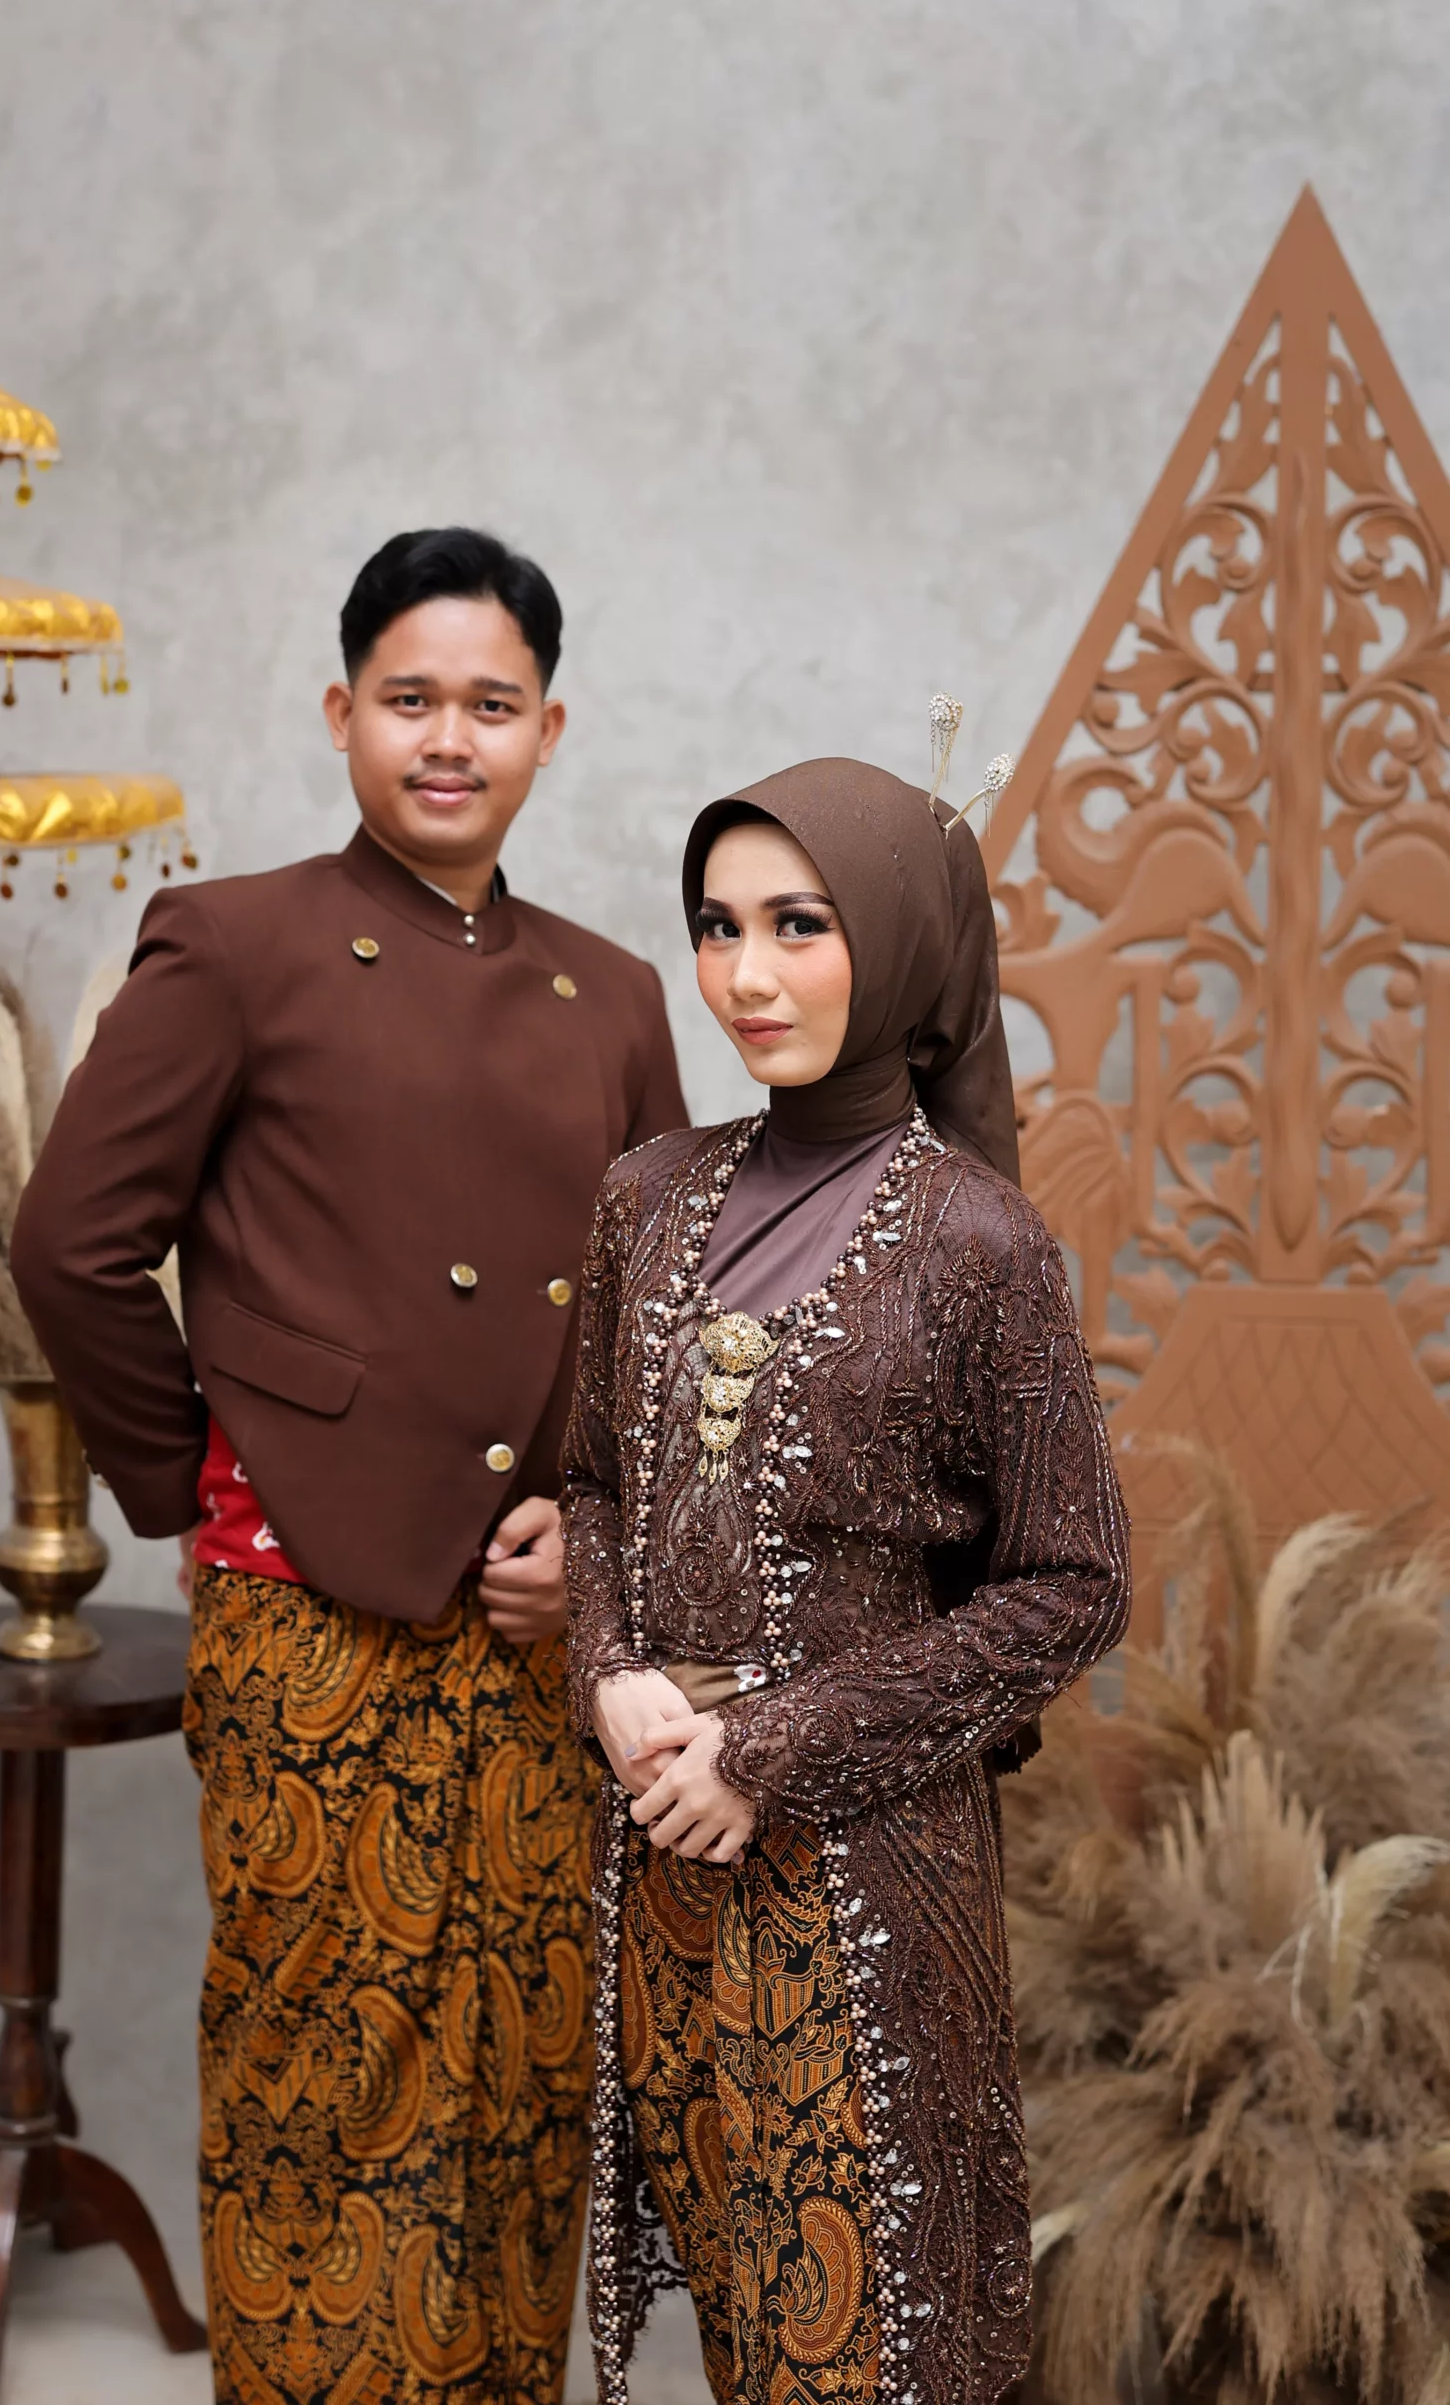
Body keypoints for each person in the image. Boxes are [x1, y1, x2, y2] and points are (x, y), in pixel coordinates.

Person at [11, 527, 687, 2405]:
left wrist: (595, 1533)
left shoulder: (617, 992)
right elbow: (70, 1245)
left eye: (490, 704)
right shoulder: (237, 943)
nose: (447, 739)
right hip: (311, 1620)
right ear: (339, 715)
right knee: (324, 2084)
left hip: (537, 1643)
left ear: (550, 729)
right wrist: (205, 1486)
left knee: (524, 2081)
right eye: (409, 699)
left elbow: (658, 1328)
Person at [560, 756, 1131, 2405]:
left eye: (799, 925)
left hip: (868, 1872)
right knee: (746, 2321)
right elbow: (591, 1483)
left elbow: (1070, 1582)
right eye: (717, 926)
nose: (746, 974)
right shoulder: (644, 1197)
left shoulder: (980, 1243)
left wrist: (771, 1749)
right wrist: (607, 1671)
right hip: (664, 1853)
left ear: (894, 941)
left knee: (878, 2335)